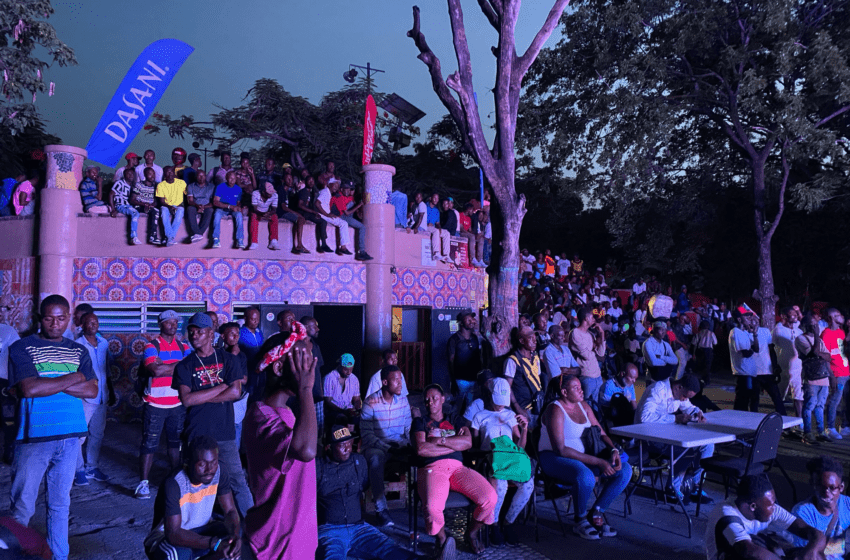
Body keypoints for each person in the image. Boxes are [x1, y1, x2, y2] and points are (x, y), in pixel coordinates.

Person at [8, 294, 98, 560]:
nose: (55, 324)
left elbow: (92, 390)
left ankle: (59, 556)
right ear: (40, 318)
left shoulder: (78, 350)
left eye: (61, 318)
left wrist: (49, 382)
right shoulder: (22, 347)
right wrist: (73, 377)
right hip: (34, 437)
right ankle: (13, 555)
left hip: (71, 436)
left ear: (69, 318)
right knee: (22, 507)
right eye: (49, 318)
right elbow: (29, 387)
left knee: (60, 505)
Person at [244, 321, 318, 560]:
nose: (308, 369)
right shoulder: (261, 416)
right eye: (301, 362)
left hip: (297, 539)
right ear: (277, 369)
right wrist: (306, 390)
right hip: (275, 544)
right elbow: (305, 450)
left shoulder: (286, 412)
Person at [173, 312, 254, 518]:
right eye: (191, 332)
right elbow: (187, 400)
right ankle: (194, 525)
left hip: (224, 433)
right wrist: (222, 386)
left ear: (211, 334)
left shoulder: (228, 360)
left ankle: (254, 526)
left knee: (237, 480)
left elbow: (235, 392)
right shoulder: (184, 365)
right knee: (196, 483)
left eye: (200, 332)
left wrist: (200, 396)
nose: (194, 336)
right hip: (196, 433)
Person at [539, 374, 630, 541]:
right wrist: (599, 462)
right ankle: (579, 519)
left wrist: (613, 450)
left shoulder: (583, 406)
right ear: (564, 392)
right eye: (576, 388)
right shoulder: (555, 409)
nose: (581, 390)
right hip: (553, 458)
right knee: (585, 475)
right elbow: (560, 449)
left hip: (586, 457)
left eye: (581, 387)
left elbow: (601, 432)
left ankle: (596, 512)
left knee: (625, 470)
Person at [414, 383, 497, 556]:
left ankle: (472, 533)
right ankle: (442, 540)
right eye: (427, 400)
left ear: (443, 399)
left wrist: (440, 442)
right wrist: (455, 445)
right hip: (433, 468)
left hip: (458, 469)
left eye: (435, 398)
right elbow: (422, 449)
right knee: (431, 507)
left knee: (490, 498)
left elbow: (468, 442)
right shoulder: (420, 422)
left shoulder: (455, 419)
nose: (431, 403)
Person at [316, 424, 419, 560]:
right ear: (329, 447)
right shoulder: (318, 466)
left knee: (390, 549)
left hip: (359, 528)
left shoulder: (358, 462)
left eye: (349, 443)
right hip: (330, 531)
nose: (347, 448)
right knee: (332, 556)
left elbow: (364, 485)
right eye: (341, 445)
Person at [143, 436, 242, 560]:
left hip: (203, 529)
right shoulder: (174, 483)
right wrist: (214, 543)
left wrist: (235, 535)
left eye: (214, 463)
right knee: (173, 555)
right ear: (188, 462)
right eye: (202, 464)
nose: (210, 469)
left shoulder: (219, 471)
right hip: (168, 537)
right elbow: (173, 533)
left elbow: (230, 511)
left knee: (234, 541)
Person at [470, 377, 532, 546]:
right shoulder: (479, 416)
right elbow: (475, 446)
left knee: (528, 485)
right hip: (490, 460)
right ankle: (494, 524)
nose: (501, 405)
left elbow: (520, 446)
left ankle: (509, 522)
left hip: (510, 459)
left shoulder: (510, 415)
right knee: (501, 485)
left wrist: (524, 429)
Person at [705, 474, 825, 560]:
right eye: (771, 505)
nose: (775, 508)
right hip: (733, 554)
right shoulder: (727, 515)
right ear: (753, 506)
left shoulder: (770, 509)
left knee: (815, 554)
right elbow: (749, 551)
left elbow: (810, 531)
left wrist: (812, 551)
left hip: (753, 547)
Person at [136, 310, 191, 500]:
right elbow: (155, 370)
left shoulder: (184, 346)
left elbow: (190, 369)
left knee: (175, 444)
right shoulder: (151, 346)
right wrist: (179, 366)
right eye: (169, 322)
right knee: (149, 443)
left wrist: (165, 366)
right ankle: (143, 483)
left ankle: (177, 480)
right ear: (160, 325)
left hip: (177, 402)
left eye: (176, 322)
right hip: (155, 403)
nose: (173, 325)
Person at [635, 374, 713, 501]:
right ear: (679, 387)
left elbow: (688, 407)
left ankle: (694, 485)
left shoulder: (679, 393)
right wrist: (675, 418)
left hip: (665, 433)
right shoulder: (658, 390)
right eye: (685, 396)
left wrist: (698, 413)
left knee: (707, 445)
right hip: (647, 436)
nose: (684, 400)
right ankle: (672, 488)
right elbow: (645, 418)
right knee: (686, 449)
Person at [360, 365, 412, 528]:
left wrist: (409, 444)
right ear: (384, 382)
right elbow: (367, 435)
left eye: (401, 379)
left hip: (399, 444)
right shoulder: (371, 402)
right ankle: (381, 510)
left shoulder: (403, 400)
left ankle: (422, 504)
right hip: (377, 446)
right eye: (395, 380)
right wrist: (387, 447)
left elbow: (408, 428)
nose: (400, 383)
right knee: (376, 458)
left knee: (421, 455)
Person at [74, 312, 113, 486]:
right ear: (82, 325)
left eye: (95, 322)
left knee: (97, 434)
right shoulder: (77, 344)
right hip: (85, 397)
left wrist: (110, 390)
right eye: (89, 323)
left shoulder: (104, 343)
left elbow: (107, 369)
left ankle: (92, 467)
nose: (93, 325)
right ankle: (78, 470)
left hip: (102, 396)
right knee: (79, 436)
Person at [791, 455, 850, 560]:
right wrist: (844, 545)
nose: (827, 494)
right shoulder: (802, 513)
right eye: (821, 487)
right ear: (812, 484)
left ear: (841, 487)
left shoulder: (847, 504)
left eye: (832, 488)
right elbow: (811, 553)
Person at [797, 314, 832, 444]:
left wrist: (819, 354)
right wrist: (817, 336)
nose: (816, 326)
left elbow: (828, 357)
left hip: (823, 377)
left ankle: (820, 432)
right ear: (806, 325)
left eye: (816, 324)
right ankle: (807, 433)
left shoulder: (820, 340)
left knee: (820, 406)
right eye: (813, 324)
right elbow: (814, 353)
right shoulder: (800, 339)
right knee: (809, 405)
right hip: (811, 378)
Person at [504, 326, 544, 429]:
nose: (535, 341)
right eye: (531, 338)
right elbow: (507, 387)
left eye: (535, 338)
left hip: (538, 405)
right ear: (521, 340)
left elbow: (537, 379)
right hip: (524, 408)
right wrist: (517, 408)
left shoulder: (535, 357)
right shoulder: (512, 361)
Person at [820, 308, 848, 441]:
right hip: (837, 373)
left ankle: (844, 426)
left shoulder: (841, 332)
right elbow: (823, 356)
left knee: (846, 400)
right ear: (831, 318)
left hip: (846, 371)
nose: (841, 316)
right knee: (835, 400)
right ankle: (830, 428)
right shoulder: (826, 333)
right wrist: (831, 375)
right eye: (838, 315)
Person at [447, 309, 483, 412]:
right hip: (460, 381)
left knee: (471, 408)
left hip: (474, 380)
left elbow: (480, 355)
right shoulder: (454, 340)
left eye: (472, 319)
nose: (472, 321)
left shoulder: (475, 337)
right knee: (457, 408)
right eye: (468, 319)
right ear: (461, 323)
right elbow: (451, 362)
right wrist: (453, 382)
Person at [730, 306, 765, 412]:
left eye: (750, 316)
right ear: (739, 319)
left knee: (752, 400)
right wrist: (751, 348)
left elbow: (756, 349)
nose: (750, 318)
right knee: (744, 402)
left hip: (750, 373)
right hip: (744, 374)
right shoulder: (736, 332)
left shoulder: (745, 333)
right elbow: (746, 353)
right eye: (746, 316)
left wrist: (754, 334)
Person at [568, 307, 606, 405]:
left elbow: (601, 353)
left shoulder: (590, 334)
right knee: (585, 407)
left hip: (597, 375)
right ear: (585, 318)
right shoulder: (575, 333)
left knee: (596, 408)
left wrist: (602, 334)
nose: (594, 318)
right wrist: (594, 353)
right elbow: (587, 356)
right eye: (592, 316)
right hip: (586, 376)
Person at [772, 307, 804, 422]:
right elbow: (772, 347)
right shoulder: (778, 330)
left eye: (796, 314)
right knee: (779, 397)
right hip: (783, 369)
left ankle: (799, 422)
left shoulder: (800, 332)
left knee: (798, 396)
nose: (795, 316)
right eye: (792, 314)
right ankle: (779, 422)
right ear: (785, 316)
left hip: (797, 369)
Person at [220, 322, 249, 448]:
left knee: (235, 436)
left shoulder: (241, 355)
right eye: (232, 334)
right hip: (221, 400)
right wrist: (232, 356)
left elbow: (244, 380)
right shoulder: (217, 353)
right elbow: (219, 376)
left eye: (237, 334)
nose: (235, 336)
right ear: (222, 336)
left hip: (237, 402)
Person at [332, 180, 373, 260]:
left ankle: (361, 252)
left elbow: (355, 210)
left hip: (346, 217)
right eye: (347, 189)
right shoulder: (340, 197)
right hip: (341, 217)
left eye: (351, 189)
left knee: (360, 224)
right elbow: (347, 213)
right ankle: (362, 252)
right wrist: (359, 205)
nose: (350, 191)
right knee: (362, 227)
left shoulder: (349, 198)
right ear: (342, 189)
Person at [314, 174, 353, 256]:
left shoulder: (328, 192)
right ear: (329, 184)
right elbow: (317, 203)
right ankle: (343, 247)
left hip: (325, 214)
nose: (336, 187)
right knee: (343, 223)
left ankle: (343, 247)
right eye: (335, 185)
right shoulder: (325, 192)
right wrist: (327, 214)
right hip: (323, 215)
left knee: (343, 223)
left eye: (337, 185)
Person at [0, 319, 20, 464]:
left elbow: (17, 357)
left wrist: (14, 382)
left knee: (8, 419)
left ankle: (9, 451)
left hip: (4, 382)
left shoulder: (7, 331)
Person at [323, 353, 362, 428]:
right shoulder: (329, 378)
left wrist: (357, 408)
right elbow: (328, 401)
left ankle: (355, 439)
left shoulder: (354, 379)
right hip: (333, 411)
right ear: (340, 366)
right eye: (346, 369)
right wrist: (344, 412)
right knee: (342, 419)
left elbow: (356, 398)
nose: (349, 372)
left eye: (351, 369)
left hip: (348, 410)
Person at [276, 174, 309, 254]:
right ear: (283, 181)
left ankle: (298, 246)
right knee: (300, 218)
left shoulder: (289, 191)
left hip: (286, 211)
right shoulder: (281, 190)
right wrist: (297, 214)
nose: (290, 181)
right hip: (281, 212)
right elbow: (283, 207)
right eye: (288, 179)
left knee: (301, 219)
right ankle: (299, 245)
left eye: (291, 179)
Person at [212, 171, 246, 249]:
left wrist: (240, 208)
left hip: (233, 209)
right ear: (226, 178)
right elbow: (215, 202)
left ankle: (240, 240)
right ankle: (216, 239)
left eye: (234, 179)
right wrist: (229, 206)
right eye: (230, 178)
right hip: (222, 209)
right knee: (216, 214)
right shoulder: (220, 187)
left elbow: (238, 203)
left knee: (239, 215)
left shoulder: (238, 189)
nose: (232, 180)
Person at [109, 167, 143, 244]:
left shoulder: (132, 186)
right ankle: (133, 236)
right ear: (124, 175)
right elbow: (111, 194)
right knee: (135, 213)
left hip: (128, 206)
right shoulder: (119, 183)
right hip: (120, 205)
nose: (131, 176)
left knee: (137, 211)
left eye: (132, 174)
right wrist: (113, 209)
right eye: (128, 174)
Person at [155, 166, 187, 247]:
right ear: (164, 174)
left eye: (171, 172)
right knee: (164, 212)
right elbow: (162, 201)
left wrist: (183, 205)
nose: (170, 174)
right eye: (167, 172)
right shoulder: (161, 185)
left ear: (174, 173)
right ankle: (171, 238)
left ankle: (169, 238)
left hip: (178, 205)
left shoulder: (181, 182)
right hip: (166, 205)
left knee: (180, 212)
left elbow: (187, 196)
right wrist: (170, 207)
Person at [133, 167, 163, 245]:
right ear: (145, 175)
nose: (152, 176)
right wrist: (144, 204)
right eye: (150, 174)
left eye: (153, 174)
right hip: (139, 205)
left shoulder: (156, 186)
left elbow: (156, 201)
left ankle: (153, 236)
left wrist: (152, 205)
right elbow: (132, 200)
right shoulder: (139, 185)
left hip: (150, 206)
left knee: (156, 211)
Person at [185, 169, 215, 244]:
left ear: (206, 176)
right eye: (199, 176)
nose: (201, 178)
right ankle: (198, 233)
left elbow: (213, 202)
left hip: (207, 206)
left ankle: (197, 234)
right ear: (196, 177)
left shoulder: (211, 186)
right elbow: (190, 201)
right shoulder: (191, 186)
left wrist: (204, 207)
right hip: (195, 205)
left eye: (203, 176)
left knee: (211, 210)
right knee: (189, 209)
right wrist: (197, 206)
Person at [249, 180, 281, 250]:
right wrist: (262, 214)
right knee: (253, 216)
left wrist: (269, 213)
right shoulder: (255, 193)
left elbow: (274, 209)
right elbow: (254, 208)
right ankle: (254, 242)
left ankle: (273, 241)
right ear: (263, 192)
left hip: (267, 212)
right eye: (269, 193)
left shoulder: (275, 195)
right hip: (257, 212)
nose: (271, 194)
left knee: (275, 217)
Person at [695, 320, 719, 385]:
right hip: (708, 350)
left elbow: (694, 343)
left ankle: (702, 380)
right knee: (708, 366)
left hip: (701, 350)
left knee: (702, 365)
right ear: (708, 326)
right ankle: (707, 380)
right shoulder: (711, 333)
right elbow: (715, 343)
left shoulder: (699, 333)